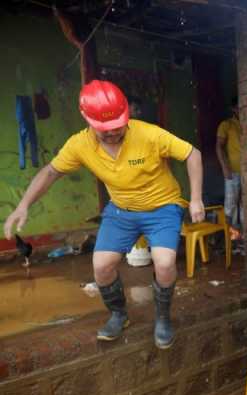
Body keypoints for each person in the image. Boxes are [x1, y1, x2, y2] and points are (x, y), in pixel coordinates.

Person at [3, 80, 204, 349]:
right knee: (101, 266)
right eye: (104, 130)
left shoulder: (149, 134)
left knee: (165, 263)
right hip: (121, 210)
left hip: (162, 208)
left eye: (118, 126)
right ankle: (119, 315)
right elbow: (51, 171)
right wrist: (24, 204)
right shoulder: (79, 144)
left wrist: (196, 199)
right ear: (87, 120)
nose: (113, 133)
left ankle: (163, 318)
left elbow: (193, 154)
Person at [216, 98, 243, 248]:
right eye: (239, 107)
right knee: (230, 206)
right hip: (232, 172)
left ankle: (242, 240)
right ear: (234, 109)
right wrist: (224, 167)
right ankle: (229, 241)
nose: (242, 109)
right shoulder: (226, 125)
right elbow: (219, 147)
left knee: (244, 206)